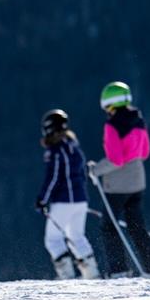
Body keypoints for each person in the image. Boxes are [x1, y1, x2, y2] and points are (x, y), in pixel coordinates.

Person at [87, 81, 150, 277]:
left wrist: (96, 170)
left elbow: (116, 159)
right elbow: (145, 152)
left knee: (109, 226)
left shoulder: (112, 125)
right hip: (138, 181)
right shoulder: (138, 120)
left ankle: (119, 270)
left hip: (117, 185)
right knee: (137, 227)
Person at [35, 109, 100, 279]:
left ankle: (67, 277)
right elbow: (81, 173)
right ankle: (92, 274)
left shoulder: (55, 150)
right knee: (76, 236)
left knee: (53, 240)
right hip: (80, 200)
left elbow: (53, 177)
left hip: (63, 201)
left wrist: (42, 200)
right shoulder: (74, 146)